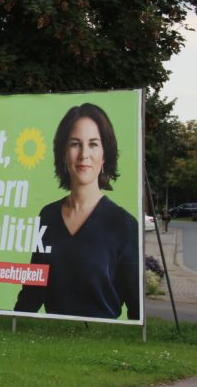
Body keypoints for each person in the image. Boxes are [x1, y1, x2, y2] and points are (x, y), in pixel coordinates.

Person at [14, 103, 139, 320]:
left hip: (101, 336)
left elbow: (136, 307)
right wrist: (13, 326)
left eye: (93, 144)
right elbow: (33, 289)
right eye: (75, 144)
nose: (84, 154)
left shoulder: (124, 224)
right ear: (63, 154)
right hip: (50, 335)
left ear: (105, 154)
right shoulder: (47, 216)